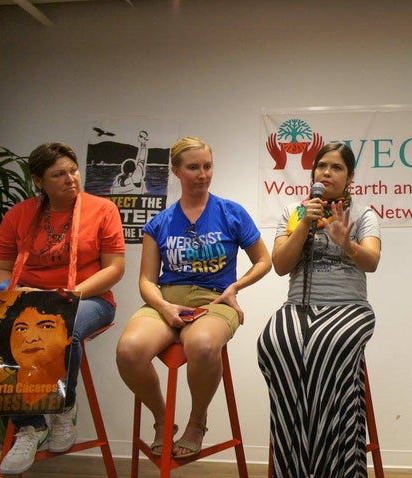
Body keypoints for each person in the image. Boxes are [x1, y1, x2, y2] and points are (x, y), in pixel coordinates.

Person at [115, 136, 271, 459]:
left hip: (215, 301)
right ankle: (162, 419)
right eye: (193, 167)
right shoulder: (159, 222)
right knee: (129, 351)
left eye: (207, 166)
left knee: (200, 344)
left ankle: (197, 421)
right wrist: (162, 305)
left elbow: (264, 261)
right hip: (166, 301)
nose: (202, 174)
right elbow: (145, 279)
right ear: (176, 171)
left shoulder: (231, 212)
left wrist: (236, 287)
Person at [0, 142, 126, 475]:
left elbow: (114, 268)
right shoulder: (19, 214)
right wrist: (13, 290)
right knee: (5, 331)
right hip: (29, 300)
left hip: (89, 298)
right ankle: (30, 427)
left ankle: (63, 408)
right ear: (39, 181)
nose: (70, 178)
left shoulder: (102, 210)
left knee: (61, 331)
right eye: (59, 174)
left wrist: (68, 295)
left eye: (73, 170)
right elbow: (2, 267)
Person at [257, 142, 381, 477]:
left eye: (337, 167)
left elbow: (372, 262)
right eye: (322, 166)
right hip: (298, 306)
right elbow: (281, 266)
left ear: (350, 176)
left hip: (349, 308)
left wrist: (347, 243)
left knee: (326, 344)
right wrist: (303, 226)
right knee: (274, 341)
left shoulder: (365, 214)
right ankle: (291, 458)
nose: (327, 173)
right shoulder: (294, 212)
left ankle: (335, 460)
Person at [0, 290, 76, 407]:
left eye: (46, 327)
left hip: (75, 296)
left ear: (68, 336)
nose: (30, 339)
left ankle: (66, 406)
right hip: (25, 289)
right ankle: (28, 422)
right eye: (21, 329)